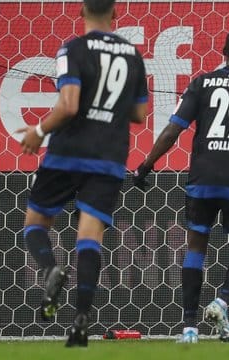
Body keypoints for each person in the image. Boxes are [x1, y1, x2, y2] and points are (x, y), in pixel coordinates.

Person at [133, 26, 229, 343]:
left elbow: (172, 131)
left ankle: (189, 327)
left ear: (223, 53)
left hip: (202, 179)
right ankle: (222, 301)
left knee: (196, 249)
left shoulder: (201, 83)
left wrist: (145, 167)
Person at [16, 0, 148, 348]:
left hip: (68, 151)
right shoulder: (133, 55)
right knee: (89, 237)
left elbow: (69, 104)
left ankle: (48, 269)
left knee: (35, 223)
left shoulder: (72, 48)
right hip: (108, 155)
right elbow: (140, 113)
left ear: (81, 12)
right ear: (116, 14)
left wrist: (38, 131)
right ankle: (80, 324)